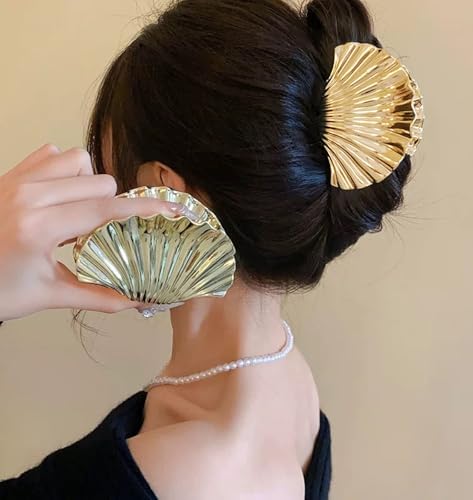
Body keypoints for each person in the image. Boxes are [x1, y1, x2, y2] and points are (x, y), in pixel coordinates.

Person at [0, 0, 419, 498]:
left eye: (107, 168)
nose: (97, 187)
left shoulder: (180, 471)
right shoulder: (290, 384)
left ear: (165, 195)